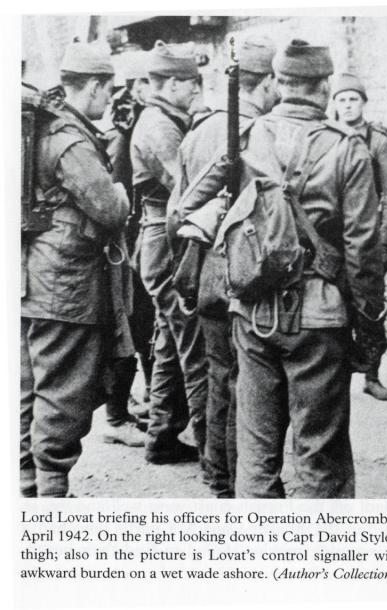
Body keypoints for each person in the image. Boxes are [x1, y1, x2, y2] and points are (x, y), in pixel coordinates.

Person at [179, 39, 386, 498]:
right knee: (319, 451)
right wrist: (370, 323)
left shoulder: (248, 137)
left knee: (256, 450)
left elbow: (187, 207)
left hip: (252, 311)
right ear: (324, 86)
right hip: (320, 315)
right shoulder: (346, 148)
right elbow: (364, 250)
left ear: (280, 83)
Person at [21, 42, 130, 497]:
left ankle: (27, 481)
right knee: (63, 390)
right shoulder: (69, 139)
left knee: (28, 384)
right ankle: (51, 492)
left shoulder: (46, 129)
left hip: (32, 277)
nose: (111, 100)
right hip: (66, 283)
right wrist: (121, 192)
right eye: (108, 90)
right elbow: (109, 209)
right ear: (94, 86)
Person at [172, 35, 278, 497]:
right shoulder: (252, 132)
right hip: (235, 269)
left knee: (219, 375)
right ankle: (236, 482)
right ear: (268, 82)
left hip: (201, 269)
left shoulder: (197, 130)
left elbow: (179, 202)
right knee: (244, 384)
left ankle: (216, 474)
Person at [130, 40, 207, 465]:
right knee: (193, 343)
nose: (196, 90)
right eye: (192, 83)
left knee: (168, 341)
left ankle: (161, 436)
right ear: (174, 83)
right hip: (168, 236)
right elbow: (189, 188)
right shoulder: (159, 125)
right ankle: (214, 449)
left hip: (162, 234)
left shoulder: (165, 118)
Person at [333, 72, 387, 401]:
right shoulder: (329, 138)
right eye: (341, 99)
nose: (348, 105)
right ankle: (336, 376)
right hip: (335, 240)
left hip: (368, 240)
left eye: (353, 99)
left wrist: (385, 247)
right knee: (335, 308)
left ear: (363, 103)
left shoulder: (380, 143)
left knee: (370, 309)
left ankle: (372, 374)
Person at [101, 50, 155, 448]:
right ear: (138, 88)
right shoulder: (127, 133)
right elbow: (121, 199)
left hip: (138, 245)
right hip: (129, 248)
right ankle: (116, 417)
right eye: (151, 83)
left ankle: (134, 404)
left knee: (142, 326)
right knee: (132, 327)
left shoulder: (141, 124)